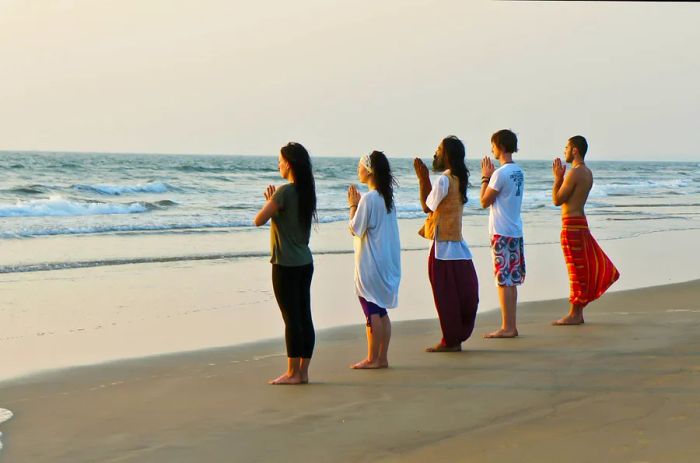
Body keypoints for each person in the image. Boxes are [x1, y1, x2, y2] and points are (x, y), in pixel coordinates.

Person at [254, 142, 317, 385]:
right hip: (305, 262)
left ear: (288, 164)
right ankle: (303, 372)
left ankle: (292, 373)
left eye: (280, 161)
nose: (278, 165)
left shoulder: (284, 192)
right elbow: (288, 220)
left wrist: (271, 202)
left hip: (285, 265)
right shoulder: (306, 192)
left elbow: (259, 219)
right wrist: (276, 205)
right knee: (304, 316)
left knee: (291, 318)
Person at [414, 136, 479, 352]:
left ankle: (451, 340)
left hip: (444, 247)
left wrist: (423, 179)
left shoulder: (445, 180)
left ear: (447, 155)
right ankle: (452, 339)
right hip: (454, 246)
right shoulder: (459, 179)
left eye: (439, 150)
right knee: (461, 294)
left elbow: (426, 206)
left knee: (447, 296)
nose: (435, 153)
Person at [551, 136, 620, 325]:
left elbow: (557, 200)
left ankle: (575, 313)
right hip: (580, 222)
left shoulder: (574, 173)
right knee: (580, 267)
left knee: (575, 269)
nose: (564, 150)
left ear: (575, 150)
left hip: (572, 224)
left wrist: (557, 179)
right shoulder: (588, 172)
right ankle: (577, 312)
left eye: (567, 147)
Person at [347, 151, 401, 368]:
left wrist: (353, 205)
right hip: (384, 262)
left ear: (368, 170)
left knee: (371, 311)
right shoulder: (386, 198)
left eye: (360, 166)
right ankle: (382, 357)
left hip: (370, 264)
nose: (358, 170)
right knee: (381, 310)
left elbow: (355, 229)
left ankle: (372, 358)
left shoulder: (369, 199)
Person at [480, 129, 525, 338]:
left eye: (493, 145)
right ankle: (511, 325)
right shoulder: (518, 171)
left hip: (501, 231)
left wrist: (485, 178)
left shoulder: (500, 173)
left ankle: (507, 327)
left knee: (503, 280)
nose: (492, 149)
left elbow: (484, 201)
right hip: (515, 230)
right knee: (512, 280)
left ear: (501, 147)